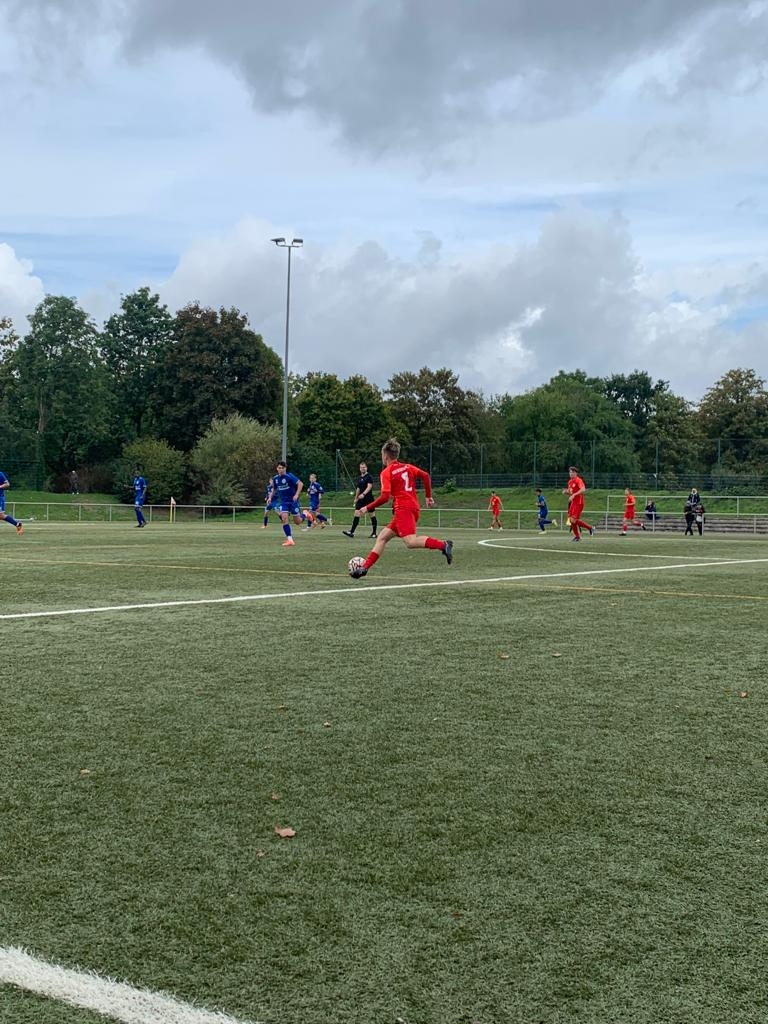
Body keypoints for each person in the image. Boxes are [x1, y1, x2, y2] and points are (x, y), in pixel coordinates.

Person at [348, 438, 453, 578]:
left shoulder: (386, 472)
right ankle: (364, 568)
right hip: (412, 507)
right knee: (382, 537)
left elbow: (385, 497)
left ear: (385, 456)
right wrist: (428, 496)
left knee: (410, 542)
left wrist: (367, 507)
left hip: (403, 509)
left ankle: (443, 545)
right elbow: (426, 476)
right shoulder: (407, 467)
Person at [269, 461, 304, 547]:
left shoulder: (289, 476)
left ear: (285, 468)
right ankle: (290, 540)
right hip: (284, 502)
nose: (280, 469)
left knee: (297, 522)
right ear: (277, 468)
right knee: (284, 518)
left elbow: (300, 484)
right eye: (279, 468)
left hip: (293, 501)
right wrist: (270, 497)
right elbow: (274, 489)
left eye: (282, 468)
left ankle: (306, 514)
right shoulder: (275, 478)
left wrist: (296, 494)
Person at [343, 461, 378, 539]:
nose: (363, 469)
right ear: (359, 469)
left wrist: (364, 494)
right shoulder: (360, 478)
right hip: (361, 500)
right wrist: (356, 498)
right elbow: (358, 489)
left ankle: (374, 533)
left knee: (372, 515)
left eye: (364, 467)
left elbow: (369, 487)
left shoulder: (369, 477)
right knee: (356, 513)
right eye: (361, 467)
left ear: (366, 468)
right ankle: (351, 532)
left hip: (368, 499)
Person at [562, 466, 593, 542]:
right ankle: (578, 536)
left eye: (572, 472)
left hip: (579, 502)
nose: (571, 473)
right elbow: (571, 492)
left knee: (573, 520)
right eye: (570, 472)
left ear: (576, 473)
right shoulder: (570, 482)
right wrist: (566, 492)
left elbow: (583, 489)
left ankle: (589, 528)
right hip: (573, 503)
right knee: (571, 520)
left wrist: (574, 495)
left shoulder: (578, 480)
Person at [0, 470, 23, 535]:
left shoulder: (0, 474)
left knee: (1, 516)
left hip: (0, 497)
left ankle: (17, 524)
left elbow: (7, 484)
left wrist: (0, 487)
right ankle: (17, 524)